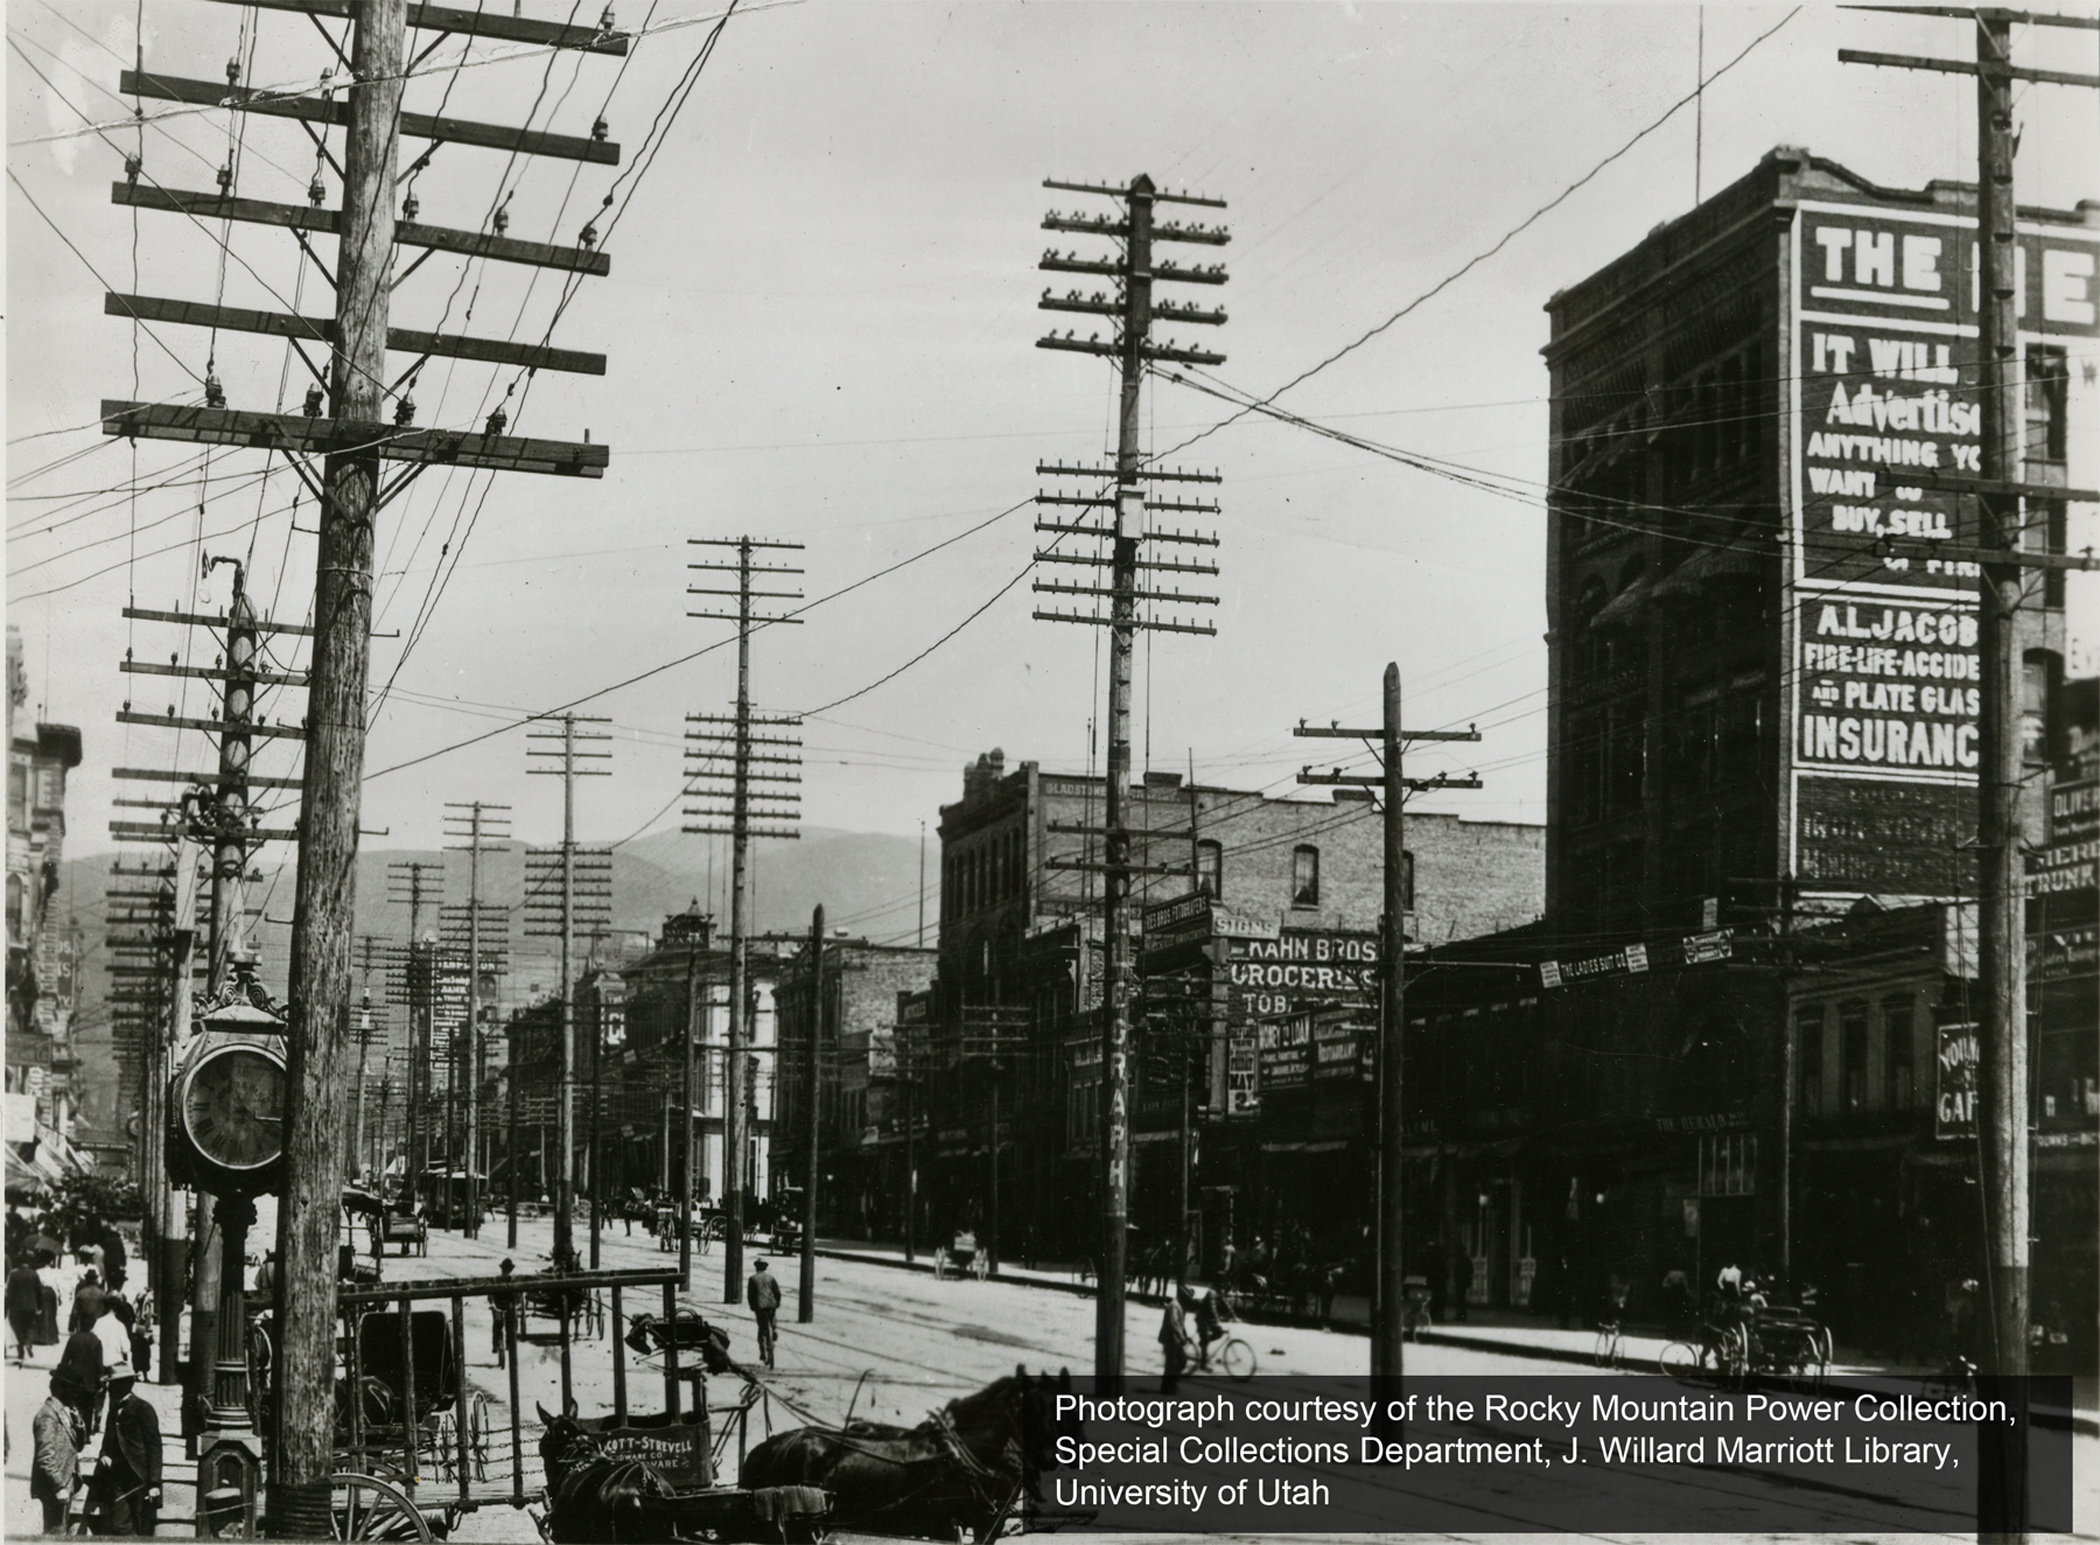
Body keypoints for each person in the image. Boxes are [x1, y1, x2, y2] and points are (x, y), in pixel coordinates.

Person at [88, 1367, 161, 1537]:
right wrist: (104, 1454)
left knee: (142, 1525)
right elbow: (107, 1441)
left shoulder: (144, 1409)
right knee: (120, 1524)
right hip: (119, 1478)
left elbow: (155, 1447)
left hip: (140, 1478)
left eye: (113, 1385)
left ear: (127, 1385)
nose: (110, 1389)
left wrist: (154, 1483)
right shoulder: (113, 1410)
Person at [32, 1371, 85, 1533]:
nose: (76, 1394)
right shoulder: (48, 1415)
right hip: (54, 1487)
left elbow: (79, 1446)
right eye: (73, 1390)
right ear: (62, 1389)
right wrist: (58, 1487)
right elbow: (45, 1457)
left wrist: (79, 1426)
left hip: (65, 1482)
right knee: (55, 1533)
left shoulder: (64, 1411)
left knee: (59, 1531)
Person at [746, 1258, 782, 1368]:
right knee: (772, 1317)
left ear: (756, 1267)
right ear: (765, 1268)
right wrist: (777, 1303)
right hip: (771, 1305)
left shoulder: (752, 1279)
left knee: (761, 1328)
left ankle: (762, 1352)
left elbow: (750, 1295)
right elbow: (777, 1292)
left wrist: (753, 1307)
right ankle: (774, 1329)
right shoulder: (771, 1278)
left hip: (760, 1306)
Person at [10, 1253, 43, 1360]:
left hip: (17, 1306)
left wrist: (8, 1307)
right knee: (30, 1326)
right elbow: (39, 1291)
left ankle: (21, 1352)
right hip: (31, 1306)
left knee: (18, 1328)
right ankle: (28, 1342)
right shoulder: (34, 1274)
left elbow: (11, 1292)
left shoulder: (14, 1274)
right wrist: (40, 1306)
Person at [1159, 1287, 1190, 1393]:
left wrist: (1184, 1334)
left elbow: (1179, 1323)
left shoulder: (1178, 1305)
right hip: (1170, 1339)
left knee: (1180, 1361)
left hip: (1174, 1339)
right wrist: (1181, 1336)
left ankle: (1171, 1384)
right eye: (1187, 1298)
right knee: (1172, 1364)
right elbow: (1174, 1323)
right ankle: (1167, 1387)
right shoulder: (1174, 1306)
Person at [490, 1259, 517, 1367]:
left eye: (507, 1270)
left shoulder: (512, 1281)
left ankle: (509, 1343)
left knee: (511, 1323)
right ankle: (496, 1344)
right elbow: (491, 1294)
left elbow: (517, 1296)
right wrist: (492, 1303)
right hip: (498, 1306)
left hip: (508, 1306)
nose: (506, 1272)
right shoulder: (497, 1280)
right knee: (498, 1322)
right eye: (505, 1270)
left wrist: (516, 1303)